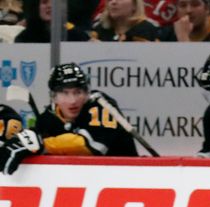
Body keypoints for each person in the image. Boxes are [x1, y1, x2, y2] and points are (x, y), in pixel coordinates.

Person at [0, 63, 138, 175]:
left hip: (127, 178)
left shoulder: (101, 104)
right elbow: (32, 146)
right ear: (53, 96)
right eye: (64, 93)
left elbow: (92, 146)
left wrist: (42, 144)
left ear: (86, 92)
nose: (72, 101)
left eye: (78, 92)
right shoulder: (47, 118)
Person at [15, 0, 91, 42]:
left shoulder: (77, 35)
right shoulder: (25, 37)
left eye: (55, 2)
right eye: (45, 2)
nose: (50, 6)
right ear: (37, 7)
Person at [91, 0, 161, 41]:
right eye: (110, 0)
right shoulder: (100, 29)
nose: (113, 2)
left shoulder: (147, 29)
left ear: (135, 5)